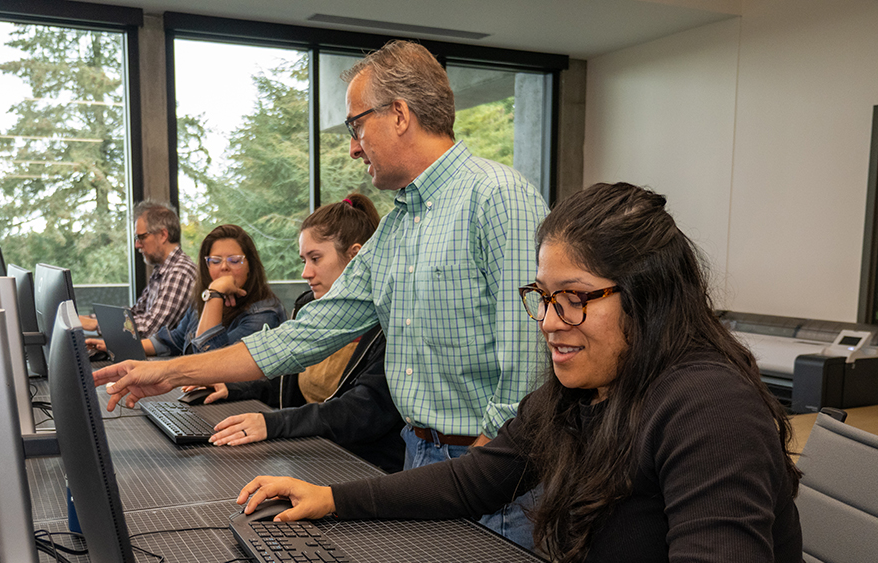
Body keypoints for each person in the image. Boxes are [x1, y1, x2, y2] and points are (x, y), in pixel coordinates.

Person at [96, 40, 547, 547]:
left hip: (490, 469)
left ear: (399, 114)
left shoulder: (497, 196)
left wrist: (483, 471)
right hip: (419, 457)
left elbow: (530, 368)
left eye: (356, 124)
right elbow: (304, 335)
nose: (353, 146)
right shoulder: (397, 225)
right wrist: (169, 370)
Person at [235, 183, 803, 563]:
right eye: (545, 297)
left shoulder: (710, 409)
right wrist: (332, 497)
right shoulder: (580, 393)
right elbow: (473, 480)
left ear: (648, 297)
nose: (551, 322)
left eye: (575, 298)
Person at [200, 194, 405, 474]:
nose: (306, 272)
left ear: (356, 257)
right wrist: (232, 387)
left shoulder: (391, 319)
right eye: (303, 260)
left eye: (316, 258)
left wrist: (273, 424)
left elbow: (361, 412)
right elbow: (288, 383)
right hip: (314, 455)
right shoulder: (309, 306)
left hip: (364, 469)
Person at [88, 224, 286, 357]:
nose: (224, 267)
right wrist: (120, 347)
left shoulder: (263, 314)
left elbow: (209, 363)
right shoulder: (202, 301)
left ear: (251, 267)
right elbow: (171, 341)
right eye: (215, 261)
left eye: (234, 261)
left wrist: (215, 294)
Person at [80, 200, 196, 339]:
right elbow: (135, 312)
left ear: (163, 235)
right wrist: (89, 318)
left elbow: (151, 328)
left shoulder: (180, 272)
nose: (137, 245)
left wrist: (96, 324)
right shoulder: (163, 269)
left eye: (141, 237)